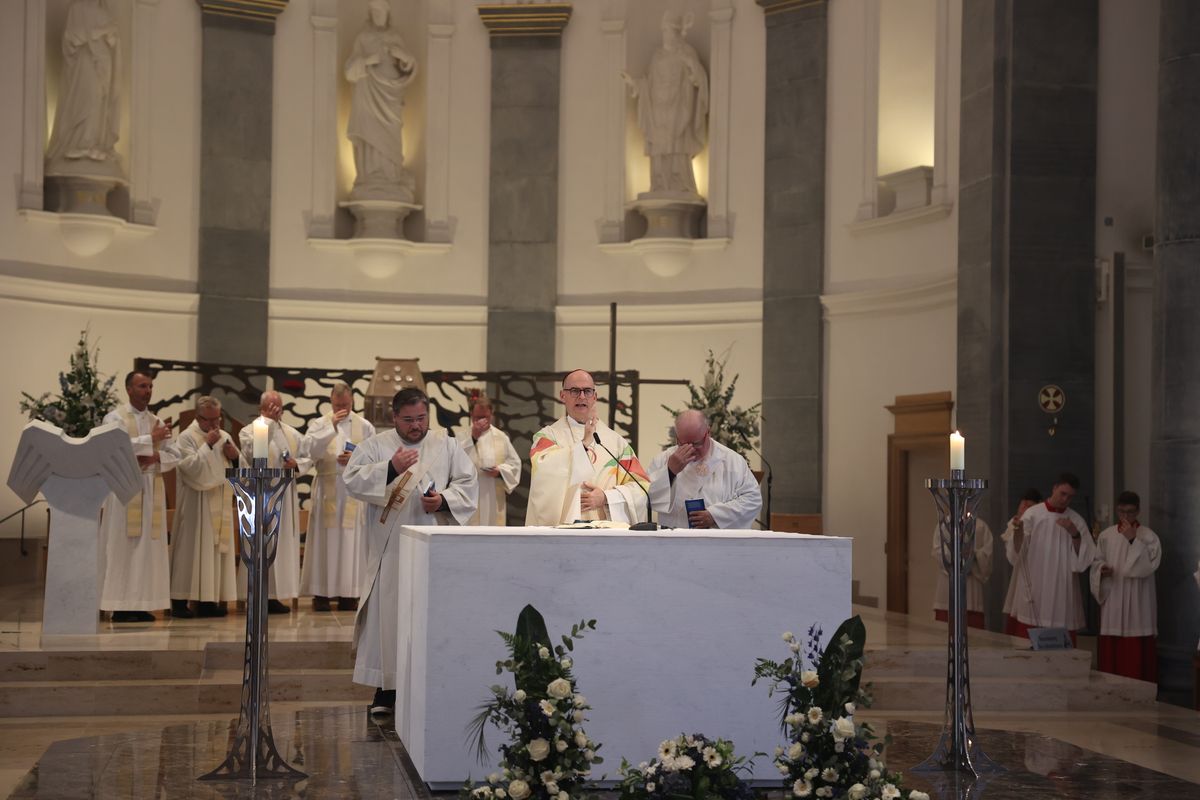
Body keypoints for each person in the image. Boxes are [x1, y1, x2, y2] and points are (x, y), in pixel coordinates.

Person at [343, 388, 477, 715]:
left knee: (430, 617)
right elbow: (352, 480)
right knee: (389, 617)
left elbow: (467, 484)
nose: (416, 426)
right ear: (394, 418)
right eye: (408, 420)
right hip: (392, 548)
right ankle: (386, 691)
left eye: (420, 418)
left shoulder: (445, 445)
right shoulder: (377, 446)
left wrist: (442, 500)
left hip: (433, 547)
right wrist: (390, 468)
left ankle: (431, 685)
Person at [98, 371, 176, 623]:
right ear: (129, 389)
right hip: (124, 490)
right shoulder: (114, 418)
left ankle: (143, 603)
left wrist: (157, 456)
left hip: (151, 488)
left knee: (148, 549)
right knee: (125, 547)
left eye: (151, 386)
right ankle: (120, 606)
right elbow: (110, 449)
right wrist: (148, 440)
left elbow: (174, 455)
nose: (148, 390)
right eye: (143, 386)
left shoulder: (157, 420)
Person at [525, 370, 650, 526]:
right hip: (564, 534)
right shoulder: (547, 437)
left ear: (594, 397)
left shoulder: (617, 443)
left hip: (606, 535)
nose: (582, 396)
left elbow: (642, 488)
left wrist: (606, 498)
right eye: (574, 391)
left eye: (587, 391)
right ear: (562, 396)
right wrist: (582, 446)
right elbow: (543, 474)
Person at [302, 383, 376, 612]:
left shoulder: (364, 426)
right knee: (325, 541)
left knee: (350, 542)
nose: (342, 409)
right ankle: (321, 594)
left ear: (352, 401)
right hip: (327, 488)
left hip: (353, 491)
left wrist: (354, 458)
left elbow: (374, 456)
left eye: (345, 405)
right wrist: (330, 427)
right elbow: (308, 451)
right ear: (331, 402)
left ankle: (349, 594)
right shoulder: (320, 424)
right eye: (337, 405)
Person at [238, 391, 312, 614]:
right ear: (263, 408)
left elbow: (307, 456)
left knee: (281, 545)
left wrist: (296, 465)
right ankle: (259, 596)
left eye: (279, 408)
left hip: (285, 495)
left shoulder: (290, 433)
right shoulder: (250, 430)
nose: (277, 412)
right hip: (262, 495)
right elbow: (253, 455)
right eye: (272, 407)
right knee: (262, 543)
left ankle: (276, 595)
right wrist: (268, 424)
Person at [621, 11, 709, 195]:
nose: (665, 35)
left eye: (668, 31)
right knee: (660, 149)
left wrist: (691, 64)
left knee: (678, 149)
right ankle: (660, 184)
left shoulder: (687, 53)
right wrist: (635, 83)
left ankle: (681, 184)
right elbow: (648, 82)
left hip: (679, 111)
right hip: (658, 113)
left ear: (676, 32)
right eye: (663, 31)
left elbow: (698, 79)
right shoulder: (657, 56)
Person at [1003, 473, 1097, 643]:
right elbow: (1017, 553)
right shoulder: (1033, 514)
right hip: (1035, 586)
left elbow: (1083, 560)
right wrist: (1018, 532)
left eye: (1070, 496)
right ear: (1054, 488)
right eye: (1063, 493)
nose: (1065, 499)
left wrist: (1074, 534)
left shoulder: (1076, 520)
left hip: (1062, 589)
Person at [170, 396, 239, 618]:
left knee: (213, 553)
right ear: (197, 416)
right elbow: (189, 469)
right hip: (195, 505)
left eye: (217, 419)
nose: (214, 425)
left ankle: (208, 601)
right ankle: (180, 601)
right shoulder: (186, 437)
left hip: (219, 501)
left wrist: (235, 458)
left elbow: (239, 467)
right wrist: (208, 445)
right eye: (209, 420)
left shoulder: (225, 436)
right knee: (190, 551)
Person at [344, 0, 418, 199]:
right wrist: (368, 60)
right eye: (374, 12)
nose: (378, 16)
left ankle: (391, 177)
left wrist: (403, 56)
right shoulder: (362, 38)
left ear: (387, 15)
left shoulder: (395, 37)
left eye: (381, 12)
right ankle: (369, 177)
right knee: (369, 133)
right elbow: (350, 71)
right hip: (368, 93)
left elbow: (409, 65)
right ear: (370, 14)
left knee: (392, 132)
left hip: (390, 95)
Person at [646, 410, 761, 529]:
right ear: (677, 438)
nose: (691, 449)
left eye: (696, 444)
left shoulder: (732, 461)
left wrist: (716, 515)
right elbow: (646, 498)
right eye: (684, 444)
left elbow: (752, 499)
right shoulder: (663, 460)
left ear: (708, 432)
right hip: (676, 542)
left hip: (718, 542)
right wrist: (669, 471)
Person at [1090, 491, 1161, 681]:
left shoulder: (1148, 536)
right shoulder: (1106, 535)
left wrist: (1133, 540)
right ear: (1116, 510)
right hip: (1114, 595)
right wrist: (1101, 570)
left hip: (1139, 597)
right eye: (1121, 512)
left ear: (1138, 511)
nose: (1125, 517)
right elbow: (1096, 562)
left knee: (1137, 645)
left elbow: (1150, 566)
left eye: (1130, 512)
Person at [45, 0, 121, 170]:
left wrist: (109, 35)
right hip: (85, 62)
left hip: (103, 65)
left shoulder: (106, 14)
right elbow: (71, 38)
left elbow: (113, 43)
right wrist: (97, 32)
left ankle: (93, 142)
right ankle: (79, 142)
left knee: (99, 102)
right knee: (87, 97)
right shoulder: (77, 9)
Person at [454, 395, 521, 526]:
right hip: (469, 496)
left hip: (493, 496)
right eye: (478, 417)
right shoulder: (462, 437)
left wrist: (500, 471)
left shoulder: (501, 437)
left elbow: (515, 464)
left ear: (492, 415)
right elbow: (454, 462)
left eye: (486, 417)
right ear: (471, 415)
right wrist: (473, 438)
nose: (482, 421)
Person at [930, 515, 993, 629]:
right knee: (944, 633)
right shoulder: (945, 524)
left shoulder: (980, 526)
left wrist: (973, 555)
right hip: (948, 586)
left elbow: (987, 554)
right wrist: (958, 557)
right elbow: (938, 551)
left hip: (972, 589)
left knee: (973, 636)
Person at [1001, 488, 1043, 630]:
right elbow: (1012, 555)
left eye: (1029, 506)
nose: (1024, 508)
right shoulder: (1013, 523)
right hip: (1019, 573)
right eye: (1022, 505)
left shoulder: (1039, 525)